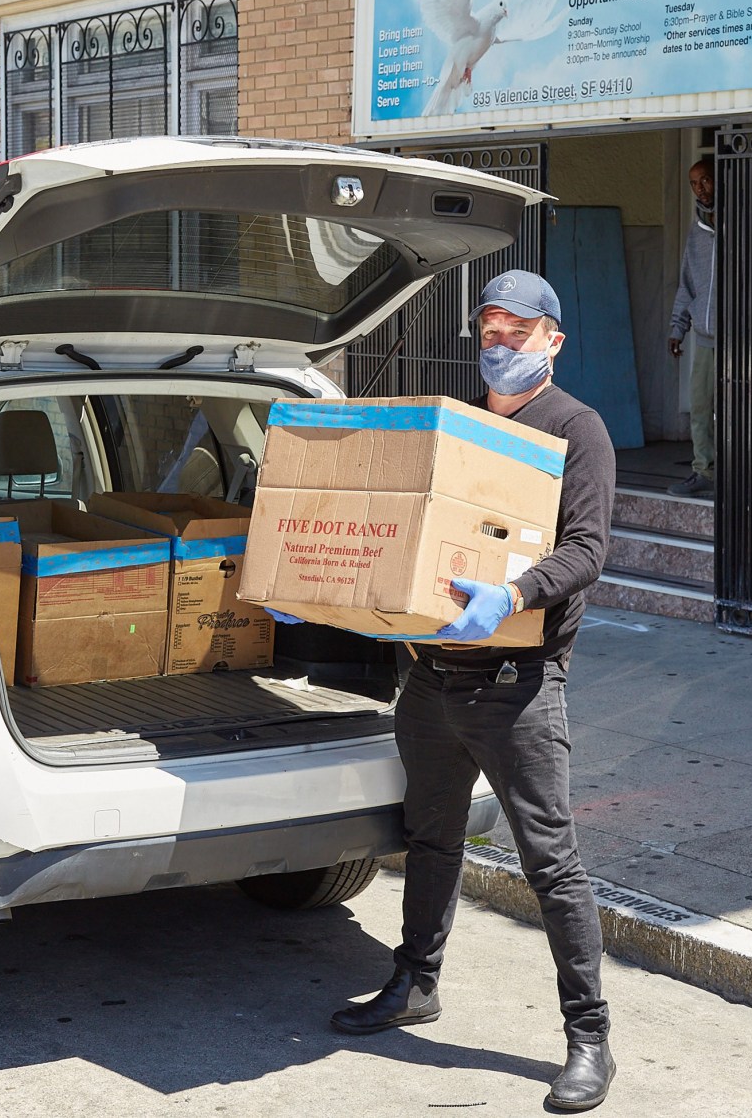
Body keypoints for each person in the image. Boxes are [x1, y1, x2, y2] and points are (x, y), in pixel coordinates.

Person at [268, 269, 617, 1112]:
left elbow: (589, 548)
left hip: (516, 687)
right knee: (430, 841)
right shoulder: (455, 432)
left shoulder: (576, 428)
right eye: (490, 330)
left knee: (552, 864)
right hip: (428, 682)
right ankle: (415, 981)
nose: (500, 345)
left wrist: (515, 594)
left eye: (517, 331)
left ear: (553, 341)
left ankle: (590, 1037)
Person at [667, 159, 715, 497]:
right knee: (700, 406)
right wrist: (677, 328)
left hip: (742, 340)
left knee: (737, 413)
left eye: (706, 180)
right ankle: (705, 472)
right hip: (706, 338)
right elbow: (687, 285)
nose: (700, 189)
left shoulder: (742, 222)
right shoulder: (697, 231)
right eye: (694, 183)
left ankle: (741, 474)